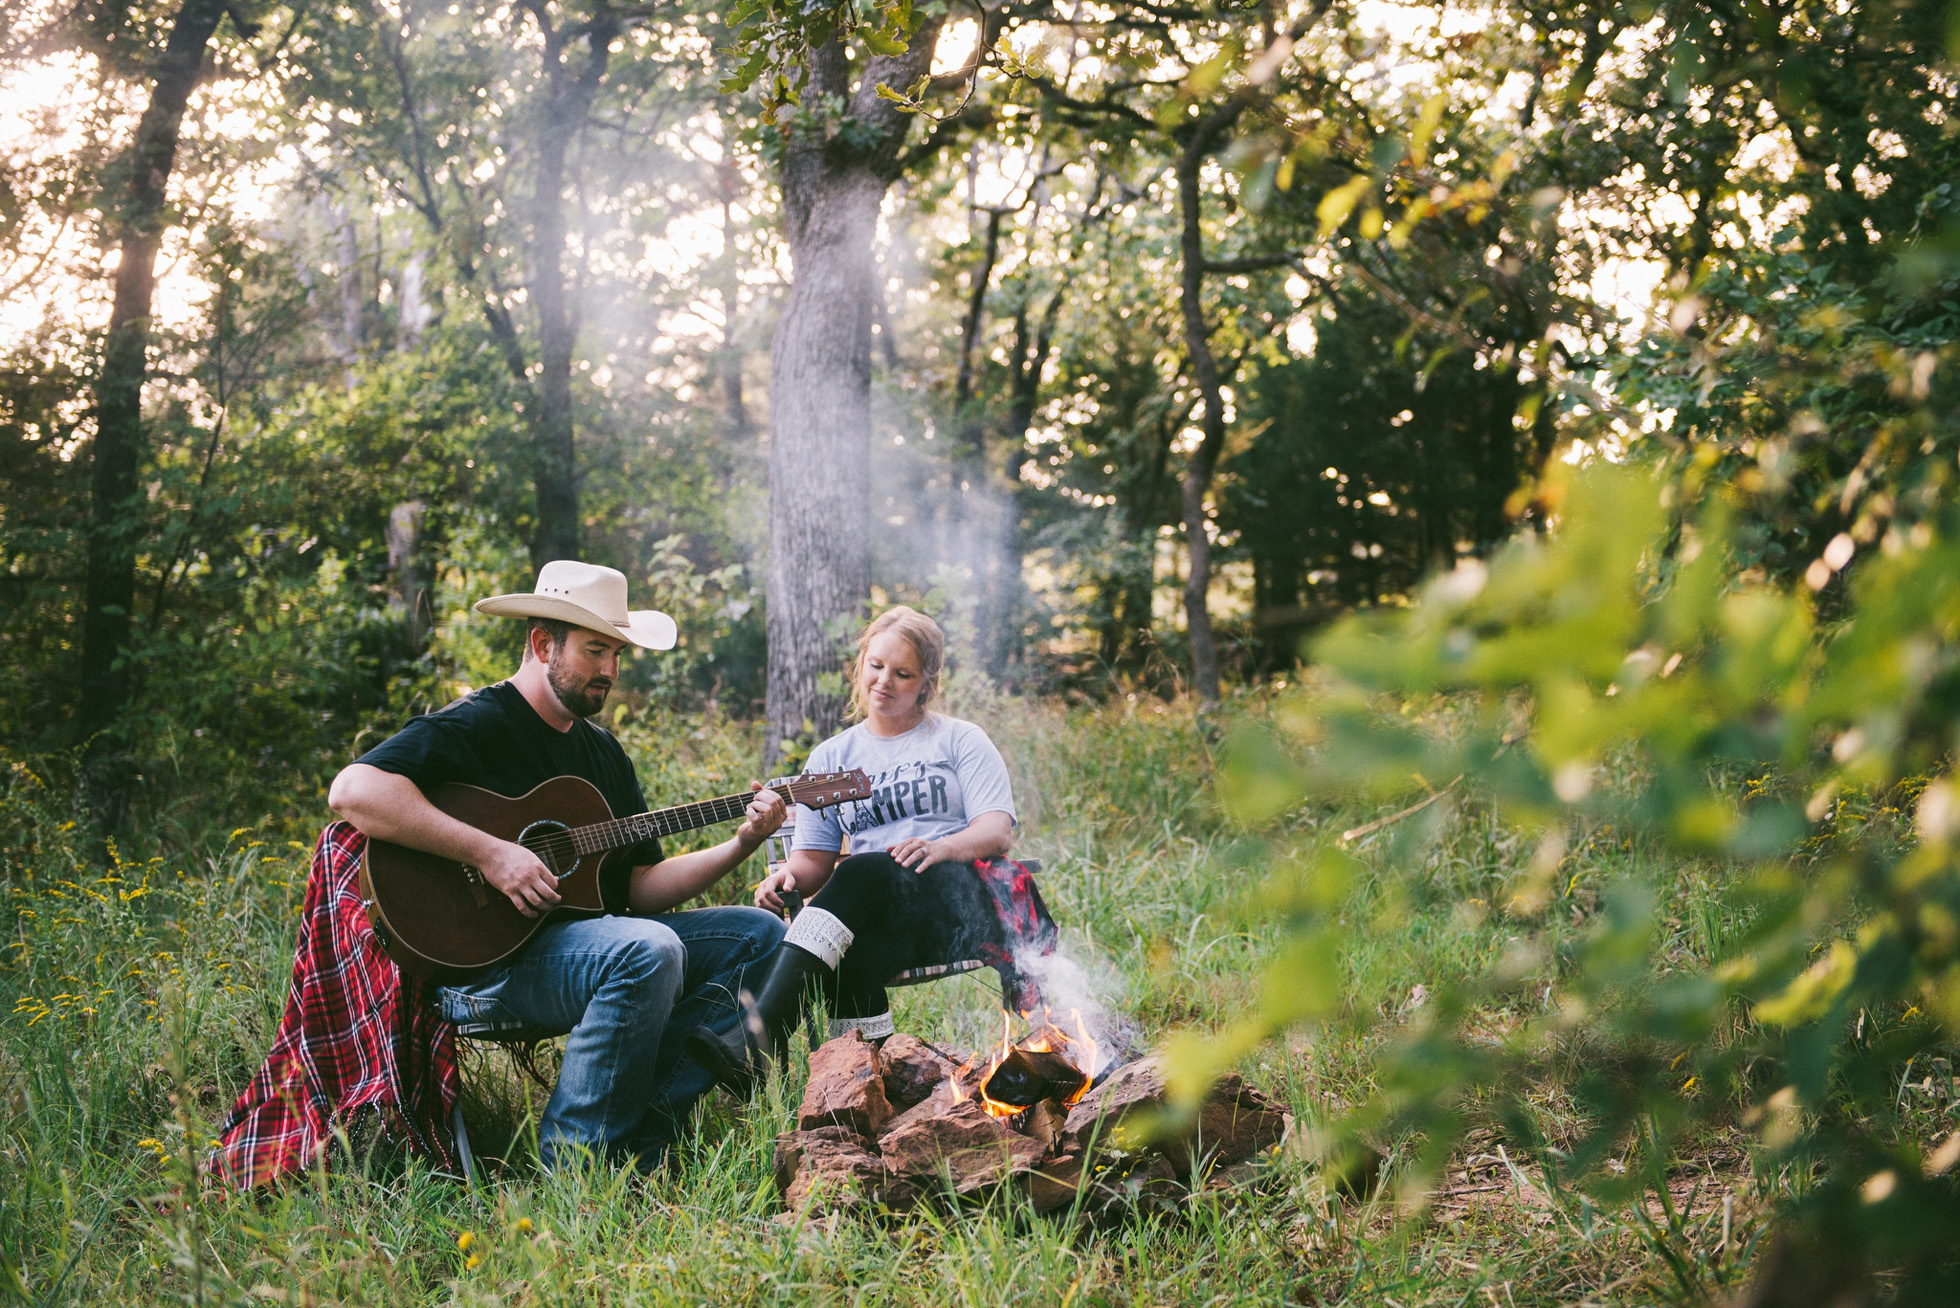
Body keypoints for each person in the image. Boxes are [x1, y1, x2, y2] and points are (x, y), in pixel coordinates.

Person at [327, 560, 788, 1171]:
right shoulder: (480, 723)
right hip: (484, 964)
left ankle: (647, 1127)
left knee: (763, 937)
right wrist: (491, 853)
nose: (610, 671)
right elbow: (352, 791)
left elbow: (640, 889)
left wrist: (741, 845)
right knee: (648, 950)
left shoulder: (602, 752)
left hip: (585, 948)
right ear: (543, 644)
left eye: (618, 654)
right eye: (596, 651)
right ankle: (577, 1166)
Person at [685, 605, 1028, 1095]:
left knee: (865, 870)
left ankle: (757, 1037)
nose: (884, 681)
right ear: (861, 664)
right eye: (876, 665)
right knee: (848, 941)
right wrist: (785, 878)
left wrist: (941, 845)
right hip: (878, 917)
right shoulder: (832, 758)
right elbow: (814, 863)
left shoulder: (959, 740)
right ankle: (874, 1086)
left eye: (902, 673)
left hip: (953, 906)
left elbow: (996, 830)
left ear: (926, 682)